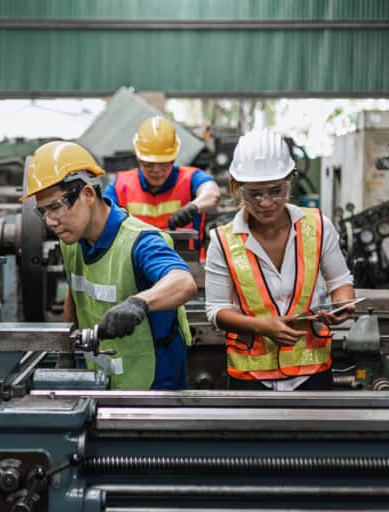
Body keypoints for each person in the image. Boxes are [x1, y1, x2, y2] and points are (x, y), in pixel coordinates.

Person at [20, 140, 197, 390]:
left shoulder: (139, 241)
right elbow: (75, 293)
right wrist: (65, 350)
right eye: (42, 212)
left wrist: (139, 303)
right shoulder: (71, 241)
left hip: (154, 384)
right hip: (101, 379)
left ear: (88, 194)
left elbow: (183, 282)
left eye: (56, 208)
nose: (49, 221)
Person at [204, 129, 355, 390]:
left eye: (276, 191)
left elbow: (340, 282)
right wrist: (260, 326)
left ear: (290, 180)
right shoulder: (222, 240)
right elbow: (216, 310)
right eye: (254, 193)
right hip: (251, 379)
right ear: (237, 188)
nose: (266, 202)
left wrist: (341, 305)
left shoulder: (319, 226)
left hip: (312, 372)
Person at [104, 116, 221, 259]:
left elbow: (212, 193)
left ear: (174, 158)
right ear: (138, 158)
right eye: (149, 164)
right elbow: (101, 217)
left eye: (164, 163)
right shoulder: (120, 185)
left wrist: (193, 208)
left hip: (186, 264)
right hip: (134, 263)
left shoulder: (191, 178)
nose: (157, 170)